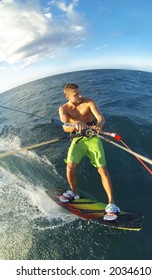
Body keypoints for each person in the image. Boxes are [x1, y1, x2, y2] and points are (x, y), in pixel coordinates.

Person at [58, 83, 120, 221]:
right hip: (78, 139)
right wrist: (75, 125)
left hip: (92, 137)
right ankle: (74, 193)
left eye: (80, 93)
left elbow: (100, 118)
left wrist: (98, 126)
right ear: (67, 96)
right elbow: (65, 126)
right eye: (76, 95)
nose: (80, 96)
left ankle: (111, 204)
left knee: (102, 170)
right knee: (70, 167)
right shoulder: (63, 109)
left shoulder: (88, 101)